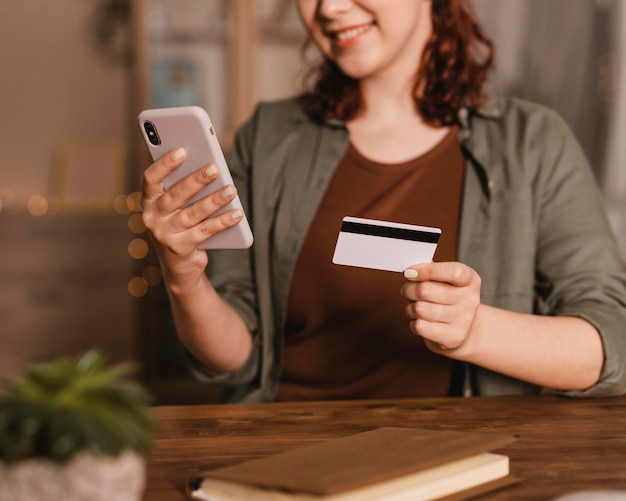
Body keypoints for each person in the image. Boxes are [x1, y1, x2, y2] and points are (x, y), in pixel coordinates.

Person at [141, 0, 626, 403]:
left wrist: (477, 330)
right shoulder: (268, 138)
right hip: (286, 453)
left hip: (455, 465)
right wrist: (184, 277)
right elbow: (237, 358)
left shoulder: (533, 143)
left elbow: (610, 343)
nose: (329, 8)